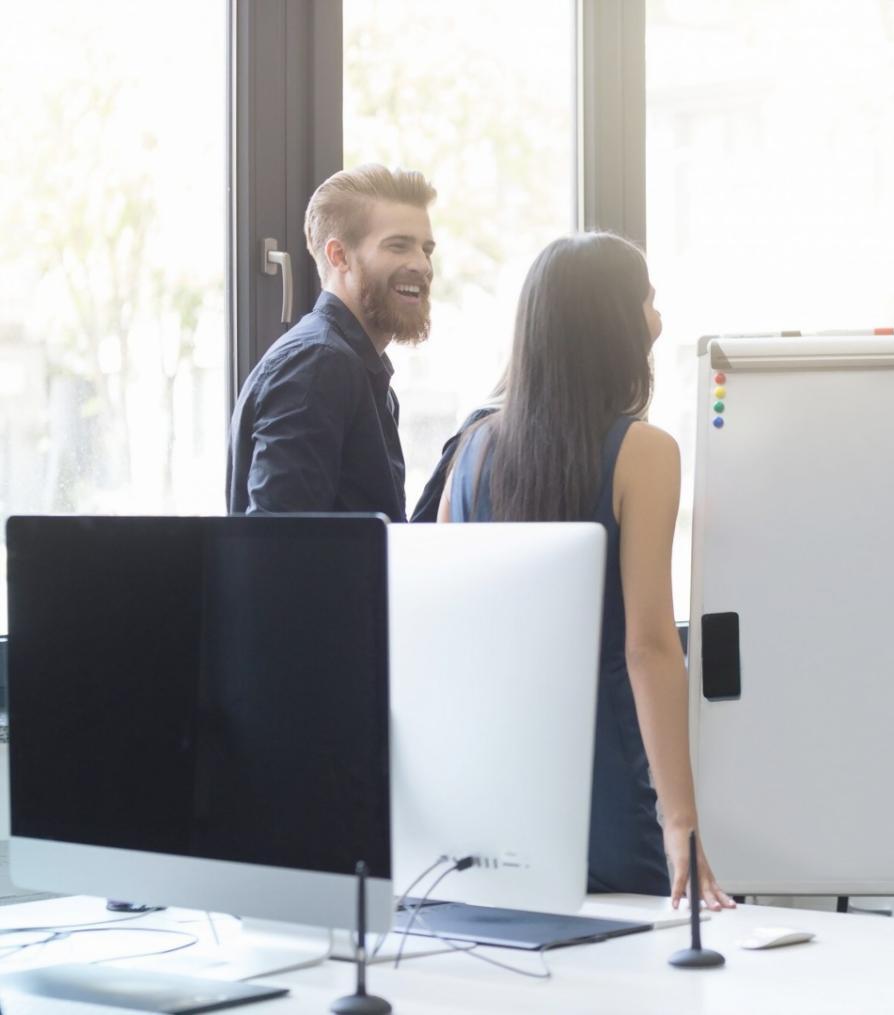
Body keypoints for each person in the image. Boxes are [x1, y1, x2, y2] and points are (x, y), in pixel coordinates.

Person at [438, 232, 732, 910]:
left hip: (491, 791)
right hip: (604, 790)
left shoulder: (472, 452)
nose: (656, 315)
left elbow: (449, 634)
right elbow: (649, 645)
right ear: (613, 319)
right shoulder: (643, 451)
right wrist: (680, 819)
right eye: (647, 298)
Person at [228, 163, 436, 520]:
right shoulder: (318, 366)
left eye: (426, 249)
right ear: (339, 255)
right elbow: (275, 550)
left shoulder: (352, 368)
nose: (421, 264)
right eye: (398, 246)